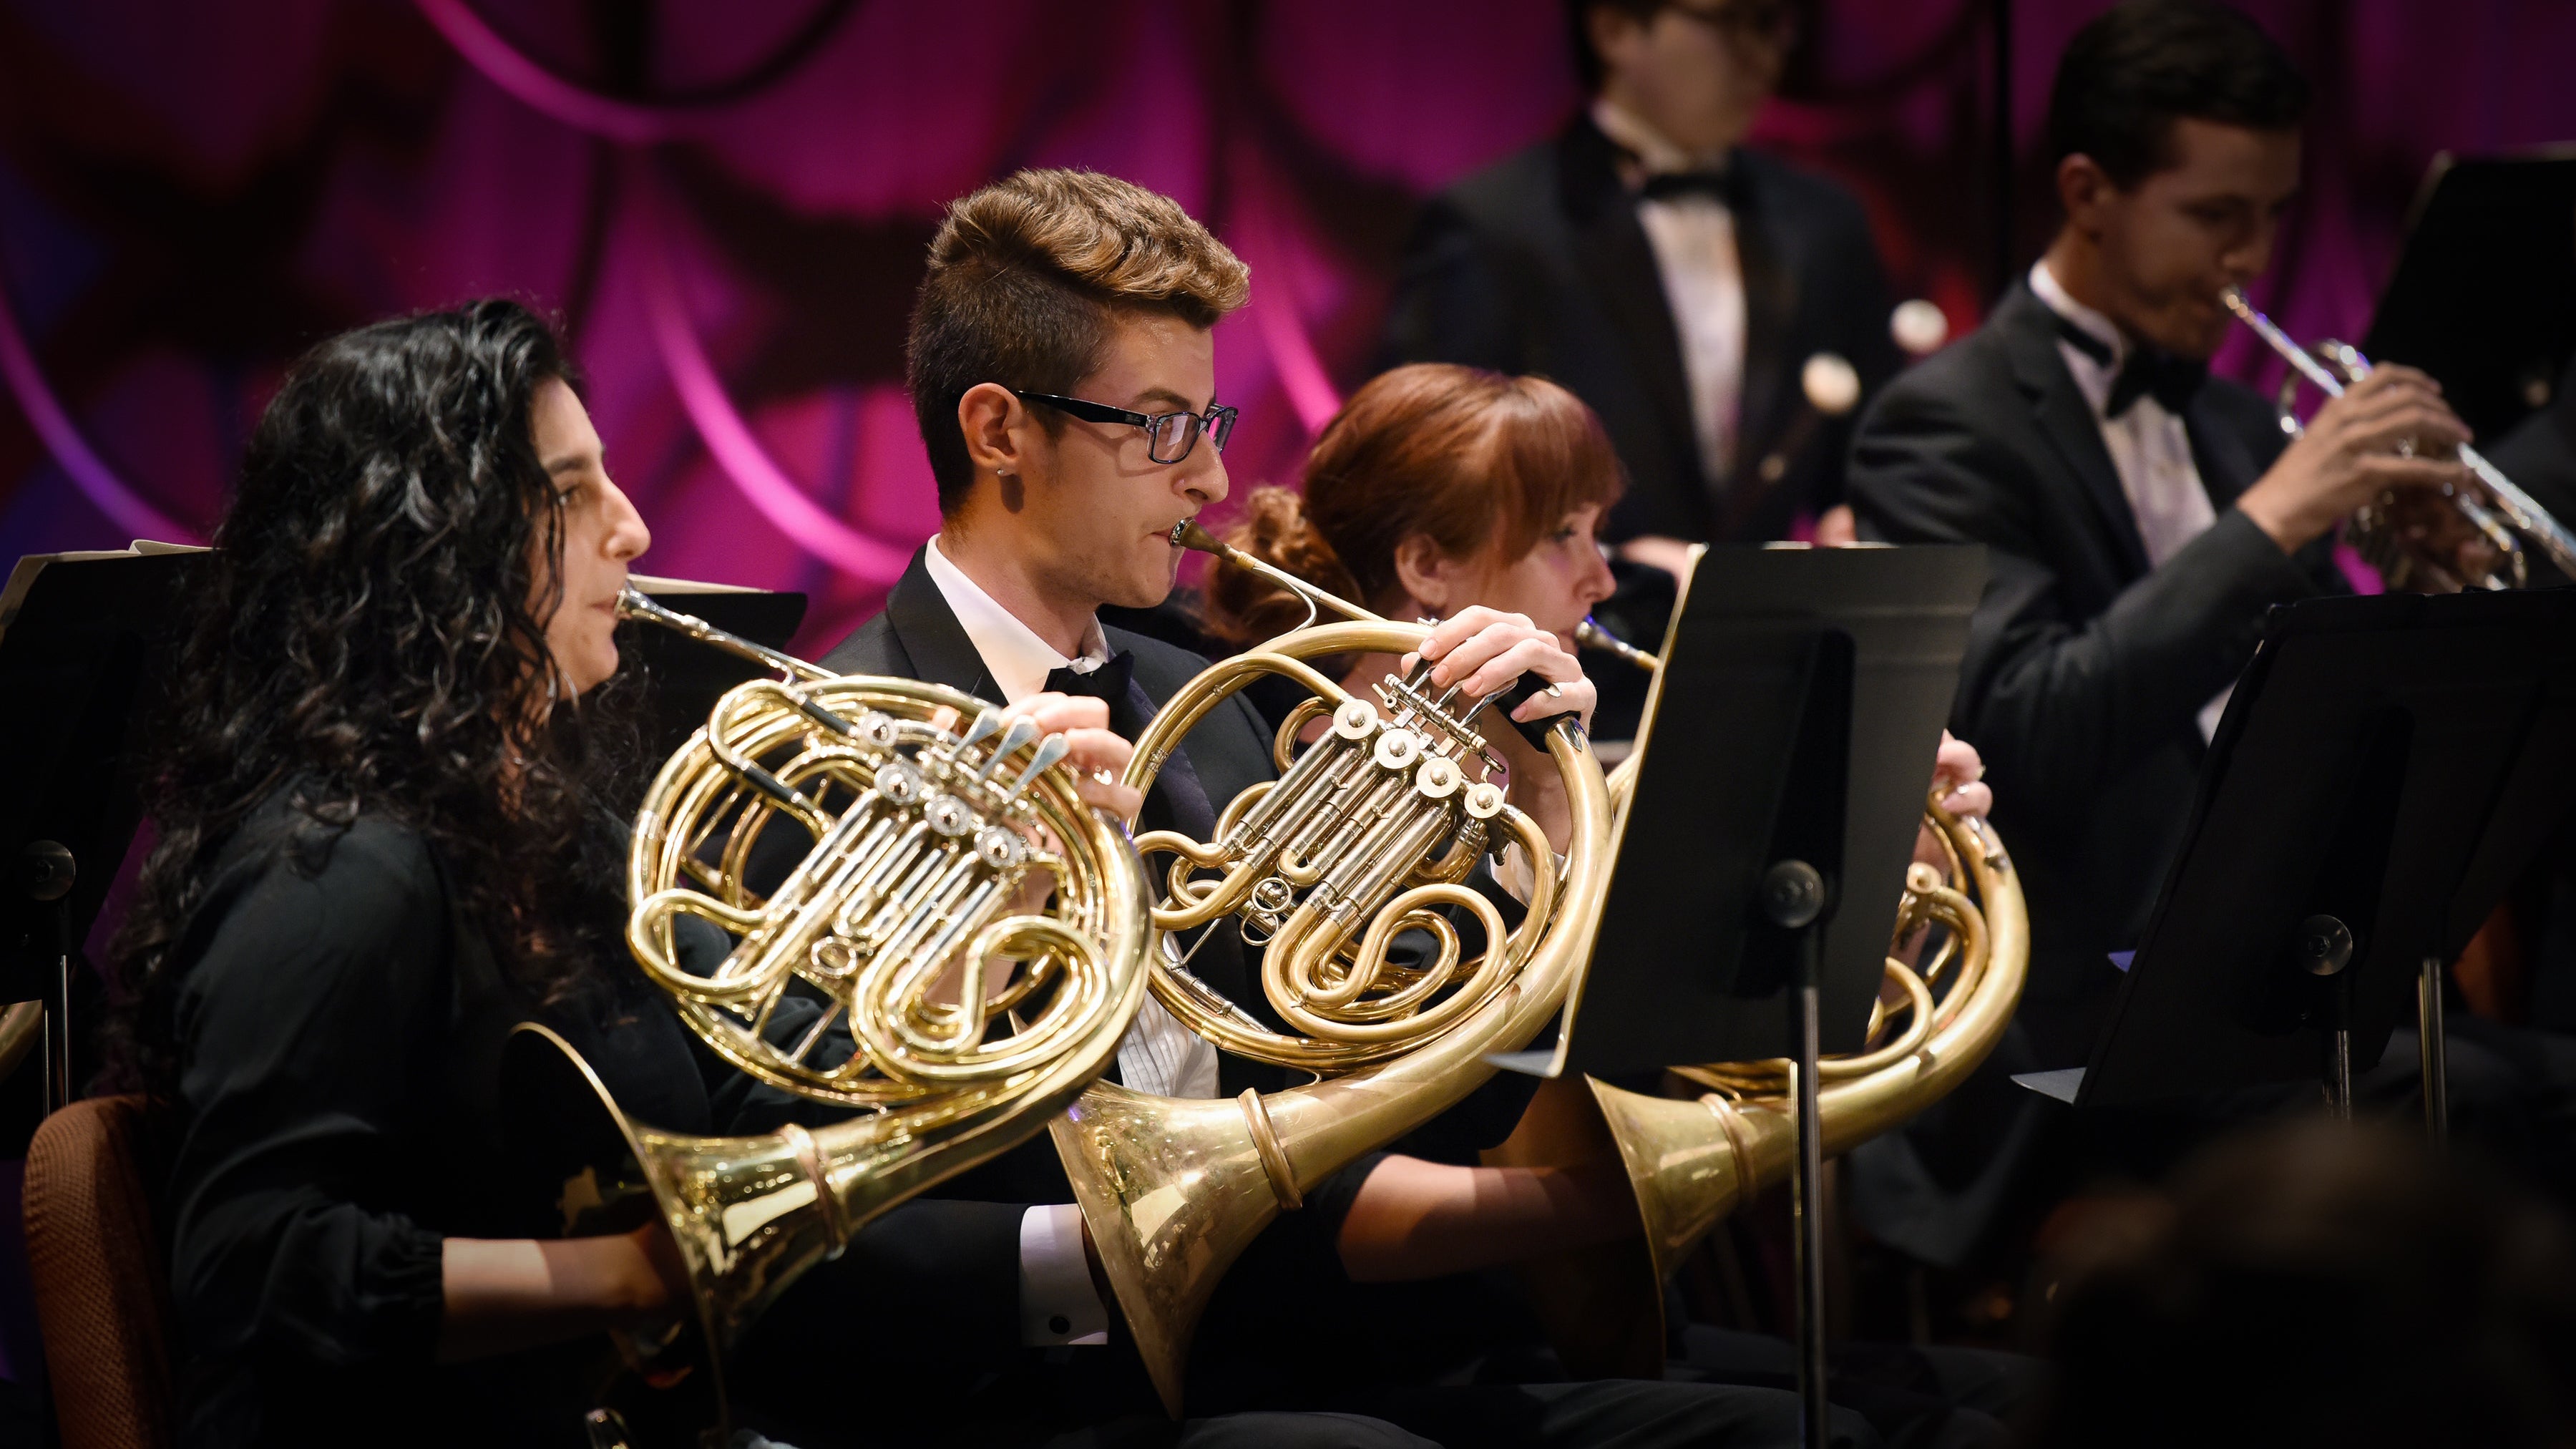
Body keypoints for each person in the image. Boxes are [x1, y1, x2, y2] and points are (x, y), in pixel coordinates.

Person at [108, 301, 1385, 1449]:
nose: (636, 528)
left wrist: (994, 929)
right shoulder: (339, 865)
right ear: (435, 544)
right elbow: (251, 1265)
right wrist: (651, 1275)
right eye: (573, 494)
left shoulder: (559, 836)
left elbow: (780, 1081)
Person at [776, 166, 1885, 1449]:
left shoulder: (1210, 700)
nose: (1210, 481)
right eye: (1160, 428)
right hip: (1021, 1399)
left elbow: (1384, 1084)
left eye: (1212, 420)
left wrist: (1537, 814)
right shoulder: (844, 735)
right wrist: (979, 927)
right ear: (998, 431)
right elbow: (818, 1166)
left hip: (1295, 1357)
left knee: (1806, 1434)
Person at [1205, 361, 2033, 1449]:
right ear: (1427, 565)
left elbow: (1758, 1042)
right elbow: (1331, 1203)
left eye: (1601, 531)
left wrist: (1881, 852)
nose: (1602, 575)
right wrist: (1640, 1191)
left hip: (1561, 1322)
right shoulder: (1294, 803)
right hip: (1395, 1350)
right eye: (1564, 536)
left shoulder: (1586, 783)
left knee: (2022, 1399)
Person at [1380, 0, 1902, 572]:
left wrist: (1859, 519)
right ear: (1615, 28)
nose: (1767, 52)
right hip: (1565, 644)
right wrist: (1608, 562)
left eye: (1775, 22)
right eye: (1734, 21)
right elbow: (1420, 485)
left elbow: (1868, 458)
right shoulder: (1492, 226)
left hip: (1773, 640)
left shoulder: (1825, 222)